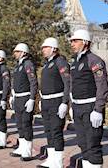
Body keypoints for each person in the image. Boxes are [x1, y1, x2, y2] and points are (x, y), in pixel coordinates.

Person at [69, 29, 108, 168]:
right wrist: (71, 104)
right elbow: (73, 84)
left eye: (75, 41)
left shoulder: (95, 60)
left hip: (90, 107)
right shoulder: (74, 61)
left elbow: (102, 85)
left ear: (85, 42)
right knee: (82, 143)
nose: (72, 43)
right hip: (78, 107)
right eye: (71, 41)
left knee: (93, 145)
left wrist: (98, 109)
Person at [36, 38, 70, 168]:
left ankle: (58, 162)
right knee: (48, 130)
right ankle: (51, 159)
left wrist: (64, 102)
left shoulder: (60, 61)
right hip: (46, 101)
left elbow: (67, 83)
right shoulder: (47, 64)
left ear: (53, 49)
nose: (43, 50)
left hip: (56, 101)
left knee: (56, 131)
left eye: (45, 47)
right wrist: (41, 99)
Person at [9, 43, 38, 161]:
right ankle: (21, 147)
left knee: (26, 124)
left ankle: (27, 150)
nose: (14, 54)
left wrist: (32, 98)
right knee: (19, 124)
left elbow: (33, 82)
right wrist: (12, 95)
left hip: (25, 98)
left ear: (23, 52)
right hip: (18, 98)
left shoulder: (28, 64)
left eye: (17, 51)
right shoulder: (18, 66)